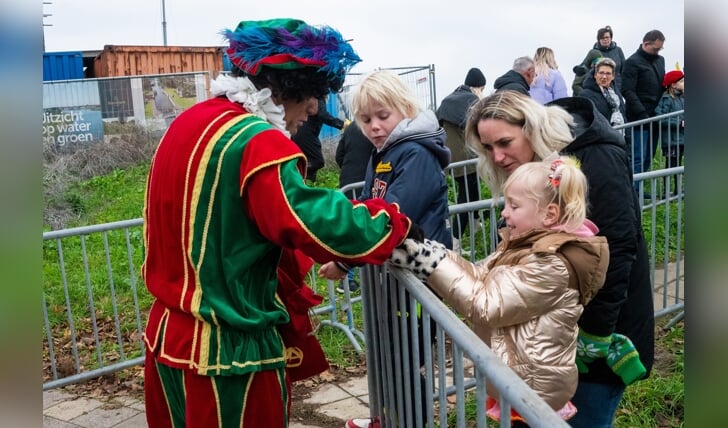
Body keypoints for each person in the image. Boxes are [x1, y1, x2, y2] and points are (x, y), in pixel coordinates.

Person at [141, 18, 421, 428]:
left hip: (167, 335)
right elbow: (308, 217)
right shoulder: (256, 140)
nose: (313, 108)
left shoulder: (188, 122)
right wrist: (391, 222)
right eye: (311, 93)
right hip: (227, 355)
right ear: (282, 88)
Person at [460, 91, 654, 427]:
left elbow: (618, 248)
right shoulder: (533, 169)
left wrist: (594, 338)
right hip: (550, 340)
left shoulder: (596, 156)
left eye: (505, 142)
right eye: (488, 148)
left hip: (594, 339)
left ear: (531, 128)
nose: (498, 156)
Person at [390, 156, 612, 426]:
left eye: (514, 206)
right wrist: (435, 254)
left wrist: (430, 264)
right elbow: (483, 276)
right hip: (518, 375)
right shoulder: (526, 245)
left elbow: (487, 304)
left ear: (549, 214)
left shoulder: (551, 264)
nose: (504, 212)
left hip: (532, 386)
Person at [318, 69, 452, 428]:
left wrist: (345, 262)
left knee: (407, 360)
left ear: (404, 109)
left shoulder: (414, 153)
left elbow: (392, 215)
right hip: (395, 276)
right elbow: (367, 205)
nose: (374, 126)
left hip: (419, 278)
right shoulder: (385, 151)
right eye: (365, 119)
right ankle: (389, 418)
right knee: (391, 356)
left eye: (383, 116)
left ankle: (411, 422)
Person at [436, 67, 486, 252]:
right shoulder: (472, 101)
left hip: (452, 159)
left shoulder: (447, 100)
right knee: (466, 199)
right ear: (479, 87)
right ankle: (455, 240)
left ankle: (475, 224)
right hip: (469, 157)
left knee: (470, 193)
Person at [334, 120, 373, 293]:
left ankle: (348, 277)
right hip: (366, 183)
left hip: (348, 181)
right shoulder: (380, 127)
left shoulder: (351, 128)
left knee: (351, 226)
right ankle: (350, 278)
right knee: (363, 228)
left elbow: (338, 155)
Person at [622, 29, 666, 178]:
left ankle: (638, 188)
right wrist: (642, 113)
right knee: (637, 158)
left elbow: (662, 84)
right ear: (646, 44)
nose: (658, 52)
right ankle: (634, 193)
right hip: (638, 118)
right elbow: (627, 90)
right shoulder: (631, 62)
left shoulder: (660, 60)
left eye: (660, 49)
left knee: (649, 156)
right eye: (656, 49)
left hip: (656, 117)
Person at [291, 96, 346, 181]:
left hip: (301, 134)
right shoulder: (318, 96)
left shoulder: (310, 96)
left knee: (310, 160)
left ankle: (308, 183)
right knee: (317, 161)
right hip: (305, 134)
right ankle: (300, 174)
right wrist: (342, 124)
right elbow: (323, 115)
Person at [655, 69, 685, 192]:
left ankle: (678, 190)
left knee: (678, 165)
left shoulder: (682, 99)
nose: (684, 83)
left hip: (681, 139)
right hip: (671, 140)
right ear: (673, 84)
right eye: (682, 81)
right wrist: (678, 123)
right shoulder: (667, 99)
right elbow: (660, 118)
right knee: (670, 166)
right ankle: (666, 191)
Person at [578, 57, 626, 128]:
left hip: (620, 135)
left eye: (608, 73)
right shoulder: (585, 95)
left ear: (613, 76)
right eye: (601, 73)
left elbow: (623, 113)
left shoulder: (616, 92)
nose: (604, 77)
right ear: (595, 75)